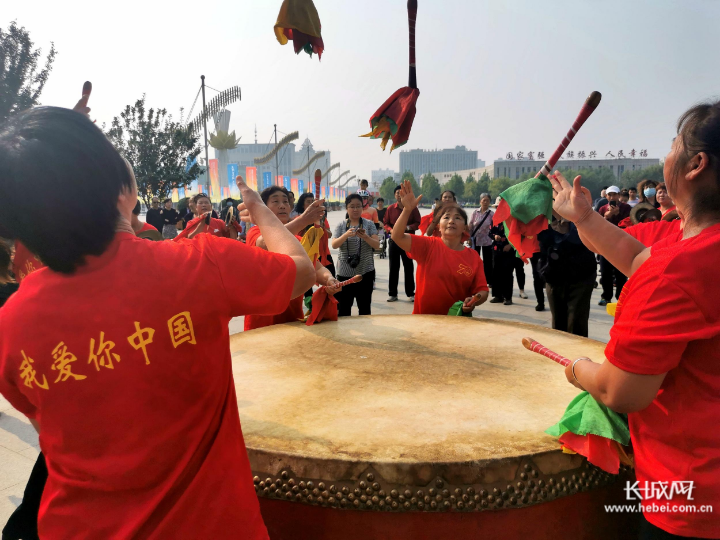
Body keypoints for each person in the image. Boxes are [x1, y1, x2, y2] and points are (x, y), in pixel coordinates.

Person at [0, 103, 317, 539]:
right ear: (122, 190)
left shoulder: (10, 325)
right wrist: (259, 209)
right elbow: (298, 271)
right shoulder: (201, 263)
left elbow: (49, 429)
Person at [550, 100, 720, 540]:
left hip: (694, 496)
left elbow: (618, 391)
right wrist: (584, 216)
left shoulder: (677, 269)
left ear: (696, 164)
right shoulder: (685, 242)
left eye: (673, 145)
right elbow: (631, 252)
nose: (666, 156)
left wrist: (576, 369)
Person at [244, 187, 340, 330]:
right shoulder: (255, 232)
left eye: (285, 202)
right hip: (261, 319)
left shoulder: (299, 240)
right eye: (275, 201)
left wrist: (329, 279)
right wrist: (303, 220)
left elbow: (316, 267)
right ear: (263, 209)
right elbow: (266, 242)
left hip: (291, 317)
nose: (282, 205)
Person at [391, 182, 488, 315]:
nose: (451, 221)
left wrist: (474, 301)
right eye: (446, 217)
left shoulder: (473, 257)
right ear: (438, 226)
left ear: (465, 227)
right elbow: (397, 236)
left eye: (457, 218)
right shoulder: (427, 245)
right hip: (424, 321)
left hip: (458, 324)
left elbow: (482, 290)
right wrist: (407, 210)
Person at [537, 218, 597, 335]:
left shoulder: (581, 212)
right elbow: (539, 240)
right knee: (558, 322)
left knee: (576, 322)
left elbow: (592, 239)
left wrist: (569, 229)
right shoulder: (544, 214)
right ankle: (558, 352)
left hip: (581, 275)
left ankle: (576, 352)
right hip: (553, 274)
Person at [332, 194, 380, 316]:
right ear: (347, 208)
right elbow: (334, 245)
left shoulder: (369, 224)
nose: (355, 209)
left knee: (364, 308)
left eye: (358, 206)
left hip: (365, 272)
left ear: (362, 208)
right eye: (352, 206)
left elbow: (377, 245)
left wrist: (365, 237)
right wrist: (346, 235)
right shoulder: (341, 225)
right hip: (344, 275)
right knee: (344, 309)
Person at [384, 185, 421, 302]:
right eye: (397, 193)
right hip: (394, 241)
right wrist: (391, 230)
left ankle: (410, 293)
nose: (399, 196)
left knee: (408, 266)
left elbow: (418, 222)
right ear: (395, 195)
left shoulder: (412, 208)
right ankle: (392, 294)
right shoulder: (390, 209)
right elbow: (385, 223)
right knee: (393, 267)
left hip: (408, 240)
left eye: (401, 193)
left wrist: (408, 227)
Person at [295, 192, 335, 298]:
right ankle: (311, 305)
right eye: (308, 202)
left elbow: (330, 234)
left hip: (324, 253)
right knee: (306, 284)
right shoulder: (298, 220)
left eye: (313, 201)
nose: (311, 204)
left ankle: (329, 303)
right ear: (302, 205)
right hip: (306, 255)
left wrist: (322, 227)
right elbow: (297, 237)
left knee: (331, 280)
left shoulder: (321, 218)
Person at [596, 186, 631, 306]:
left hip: (621, 244)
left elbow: (628, 224)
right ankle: (606, 296)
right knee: (605, 272)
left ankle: (620, 297)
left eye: (614, 195)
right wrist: (608, 215)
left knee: (620, 273)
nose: (612, 197)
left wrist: (618, 214)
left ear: (619, 195)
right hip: (606, 244)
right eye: (609, 195)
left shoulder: (626, 208)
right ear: (606, 196)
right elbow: (598, 225)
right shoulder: (602, 208)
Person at [468, 193, 494, 287]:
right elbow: (470, 225)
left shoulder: (491, 214)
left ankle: (489, 280)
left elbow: (494, 227)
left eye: (487, 200)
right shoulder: (475, 212)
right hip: (475, 239)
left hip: (487, 240)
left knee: (488, 261)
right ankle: (474, 279)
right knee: (475, 261)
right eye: (484, 200)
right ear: (480, 201)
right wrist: (468, 237)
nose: (485, 202)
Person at [488, 221, 516, 305]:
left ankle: (508, 297)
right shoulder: (495, 220)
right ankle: (498, 296)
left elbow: (518, 234)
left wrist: (511, 245)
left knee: (507, 273)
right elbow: (490, 232)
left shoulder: (512, 220)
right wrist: (494, 236)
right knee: (496, 272)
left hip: (509, 250)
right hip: (496, 249)